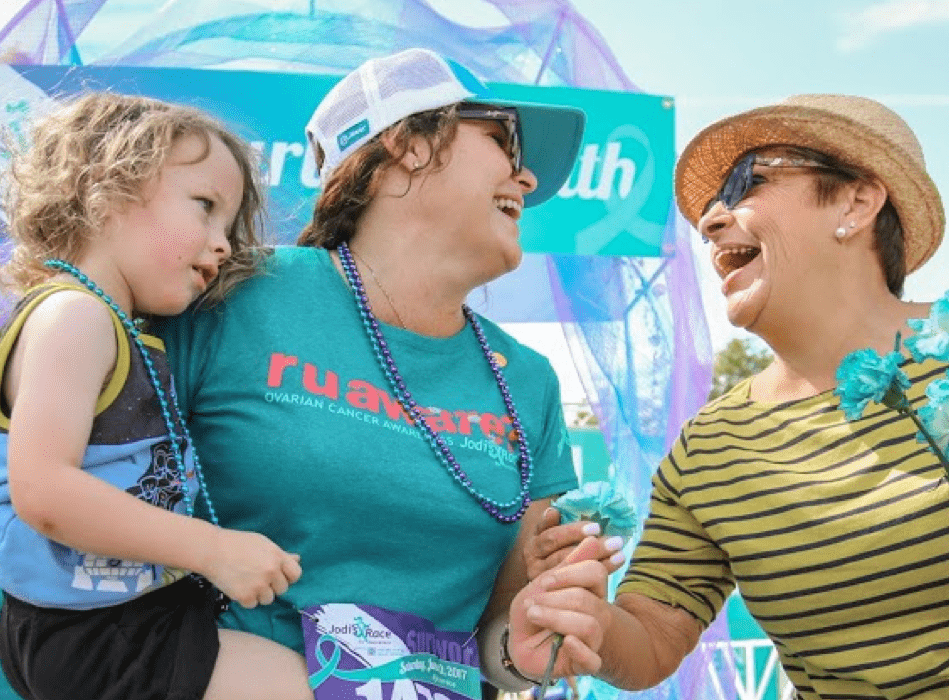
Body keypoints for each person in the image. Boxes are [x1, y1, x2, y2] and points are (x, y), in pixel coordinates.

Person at [505, 94, 949, 699]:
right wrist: (587, 623)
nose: (712, 221)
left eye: (746, 185)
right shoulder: (709, 449)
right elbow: (653, 637)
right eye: (708, 210)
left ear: (856, 200)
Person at [156, 48, 615, 698]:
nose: (529, 177)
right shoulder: (230, 296)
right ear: (403, 145)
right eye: (504, 139)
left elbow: (493, 642)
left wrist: (523, 647)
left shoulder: (530, 382)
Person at [0, 92, 312, 700]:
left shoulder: (114, 324)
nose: (222, 244)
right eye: (204, 207)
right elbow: (44, 491)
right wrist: (214, 550)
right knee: (299, 688)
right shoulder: (75, 316)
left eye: (229, 226)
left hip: (102, 621)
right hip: (93, 629)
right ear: (107, 189)